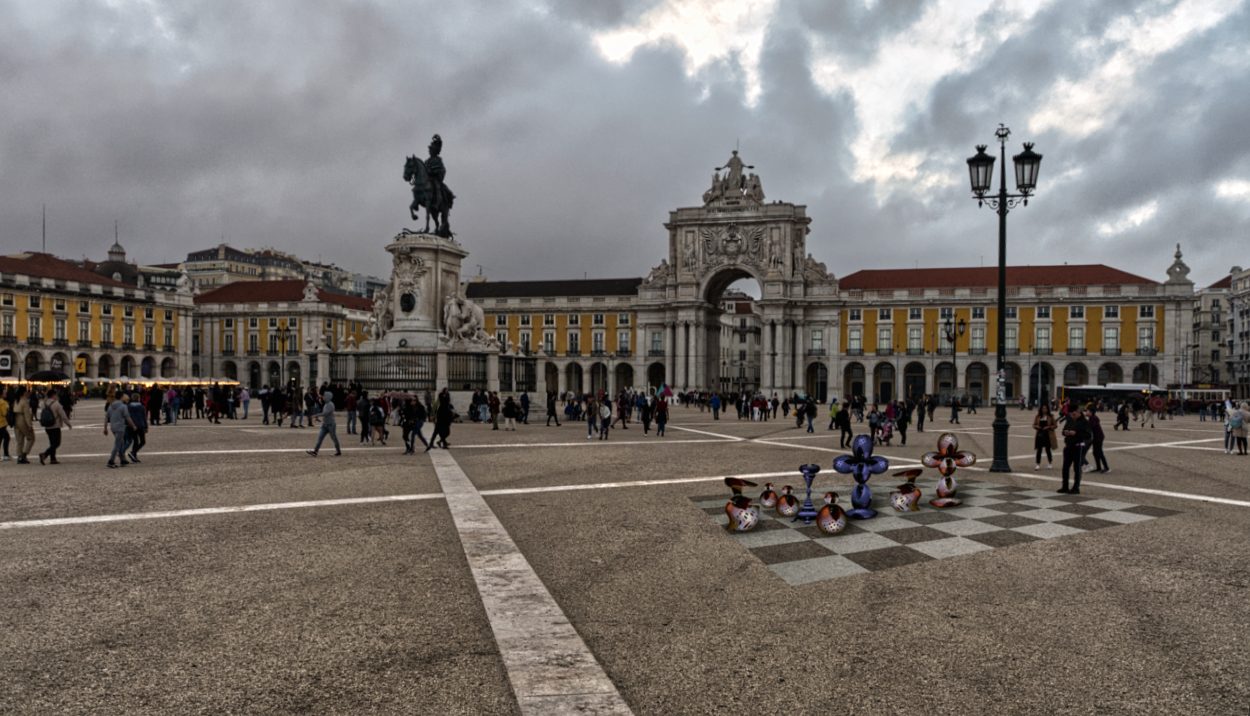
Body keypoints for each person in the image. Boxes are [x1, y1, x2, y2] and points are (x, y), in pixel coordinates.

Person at [1059, 408, 1093, 494]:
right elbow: (1063, 430)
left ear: (1079, 413)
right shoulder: (1070, 420)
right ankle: (1065, 486)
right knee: (1065, 467)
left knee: (1077, 468)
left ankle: (1076, 487)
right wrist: (1065, 432)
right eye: (1071, 415)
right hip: (1068, 445)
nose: (1072, 416)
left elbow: (1088, 435)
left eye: (1074, 414)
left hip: (1078, 446)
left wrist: (1076, 433)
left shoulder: (1084, 422)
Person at [37, 388, 72, 465]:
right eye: (55, 395)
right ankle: (45, 454)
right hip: (55, 426)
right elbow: (63, 415)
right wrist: (68, 424)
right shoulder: (56, 404)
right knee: (57, 443)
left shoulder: (43, 404)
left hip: (47, 425)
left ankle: (53, 458)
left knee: (52, 442)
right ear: (53, 395)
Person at [104, 394, 137, 468]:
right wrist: (133, 425)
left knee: (121, 443)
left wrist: (105, 428)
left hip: (113, 427)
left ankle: (122, 459)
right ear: (122, 397)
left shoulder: (110, 406)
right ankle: (111, 461)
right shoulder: (123, 406)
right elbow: (127, 417)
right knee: (117, 444)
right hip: (120, 427)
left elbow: (106, 417)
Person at [307, 392, 341, 457]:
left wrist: (316, 415)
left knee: (334, 438)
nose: (323, 397)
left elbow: (325, 413)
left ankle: (338, 451)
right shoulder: (326, 404)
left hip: (331, 425)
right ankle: (315, 451)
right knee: (320, 438)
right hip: (325, 425)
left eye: (324, 396)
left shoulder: (331, 404)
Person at [12, 386, 35, 464]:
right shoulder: (24, 401)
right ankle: (24, 454)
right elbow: (27, 415)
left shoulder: (16, 400)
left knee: (19, 440)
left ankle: (19, 456)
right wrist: (29, 425)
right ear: (24, 392)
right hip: (22, 420)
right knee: (31, 438)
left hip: (16, 420)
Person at [123, 391, 148, 463]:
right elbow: (144, 418)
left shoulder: (128, 407)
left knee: (135, 441)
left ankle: (134, 457)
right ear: (138, 399)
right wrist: (146, 427)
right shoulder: (142, 407)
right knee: (142, 441)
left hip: (131, 426)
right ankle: (133, 452)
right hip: (139, 425)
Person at [1084, 405, 1109, 473]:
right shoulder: (1092, 418)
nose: (1086, 412)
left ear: (1091, 412)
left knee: (1099, 452)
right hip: (1096, 437)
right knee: (1095, 452)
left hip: (1098, 437)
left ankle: (1106, 467)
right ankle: (1098, 467)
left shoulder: (1092, 418)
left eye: (1087, 411)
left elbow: (1093, 426)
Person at [1033, 405, 1057, 470]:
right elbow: (1034, 424)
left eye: (1046, 408)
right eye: (1043, 408)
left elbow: (1055, 425)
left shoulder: (1050, 416)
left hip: (1048, 434)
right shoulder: (1038, 416)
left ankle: (1050, 463)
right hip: (1040, 434)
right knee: (1039, 450)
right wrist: (1036, 426)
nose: (1044, 410)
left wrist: (1048, 427)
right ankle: (1038, 464)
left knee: (1048, 449)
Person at [0, 389, 10, 461]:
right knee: (4, 438)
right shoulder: (3, 403)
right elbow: (4, 413)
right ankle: (6, 454)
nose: (5, 393)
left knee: (6, 437)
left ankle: (6, 454)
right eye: (4, 393)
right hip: (2, 423)